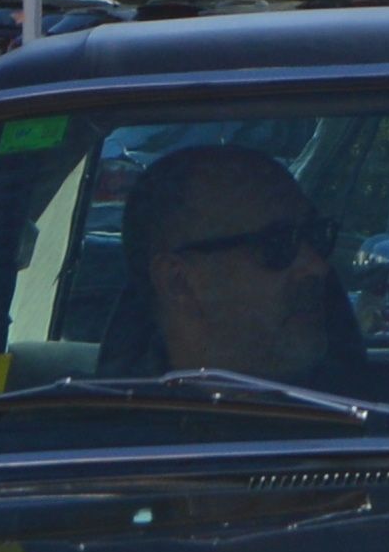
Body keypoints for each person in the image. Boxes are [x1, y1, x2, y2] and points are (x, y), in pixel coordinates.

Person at [120, 141, 371, 385]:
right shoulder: (100, 416)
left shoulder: (387, 413)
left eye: (315, 235)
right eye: (278, 243)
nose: (317, 266)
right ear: (178, 281)